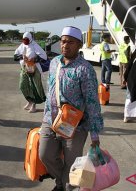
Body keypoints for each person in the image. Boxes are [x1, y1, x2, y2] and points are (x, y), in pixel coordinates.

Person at [39, 26, 104, 191]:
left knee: (72, 162)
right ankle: (61, 182)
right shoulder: (54, 62)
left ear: (79, 45)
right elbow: (51, 92)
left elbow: (92, 102)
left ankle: (64, 187)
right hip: (51, 120)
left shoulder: (85, 69)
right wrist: (45, 117)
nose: (65, 45)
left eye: (70, 42)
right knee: (44, 154)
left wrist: (94, 134)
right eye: (63, 41)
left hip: (75, 125)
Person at [14, 32, 47, 113]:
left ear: (30, 39)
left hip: (34, 69)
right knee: (22, 85)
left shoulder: (35, 45)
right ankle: (30, 101)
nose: (25, 41)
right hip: (24, 69)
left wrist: (34, 59)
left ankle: (34, 105)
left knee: (34, 87)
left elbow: (44, 56)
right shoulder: (22, 46)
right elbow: (15, 56)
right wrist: (22, 56)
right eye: (24, 39)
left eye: (26, 39)